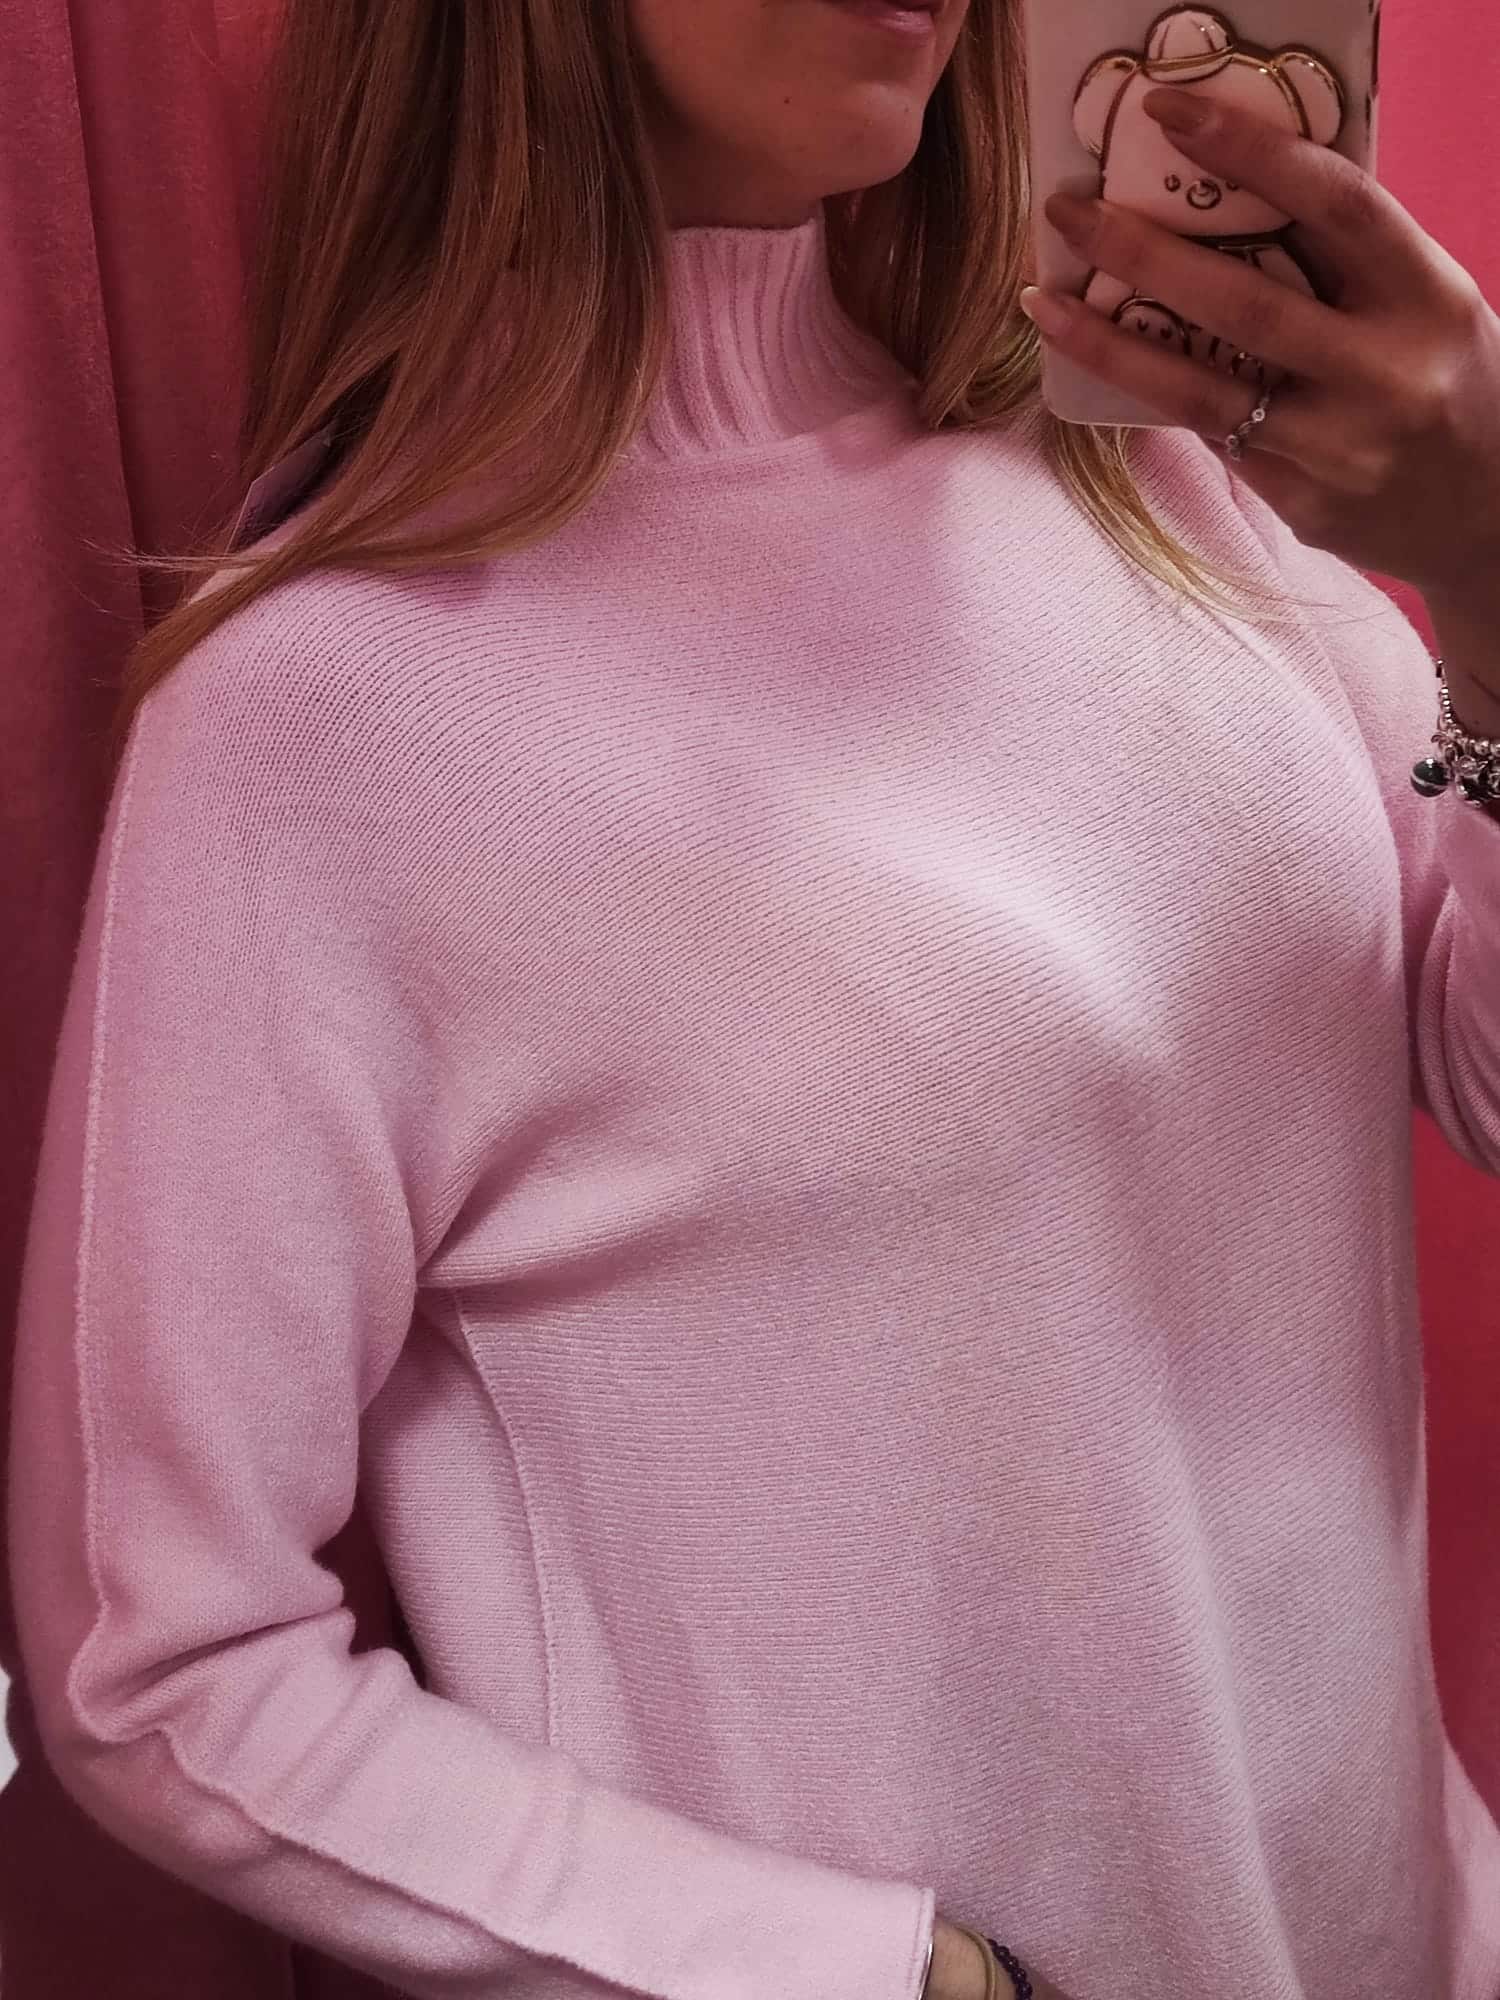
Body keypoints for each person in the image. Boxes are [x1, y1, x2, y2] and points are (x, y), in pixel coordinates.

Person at [9, 2, 1500, 1998]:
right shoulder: (313, 720)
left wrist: (1493, 581)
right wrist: (859, 1975)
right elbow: (162, 1664)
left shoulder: (1149, 475)